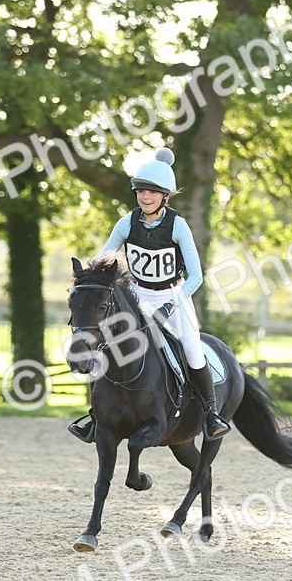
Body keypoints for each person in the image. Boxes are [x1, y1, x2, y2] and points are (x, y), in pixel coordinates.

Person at [68, 147, 232, 444]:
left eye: (152, 193)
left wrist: (174, 302)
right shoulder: (126, 223)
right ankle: (96, 417)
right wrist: (86, 281)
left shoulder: (177, 226)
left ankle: (211, 415)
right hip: (137, 296)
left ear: (165, 196)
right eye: (141, 191)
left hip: (173, 296)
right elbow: (104, 261)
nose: (145, 197)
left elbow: (196, 276)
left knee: (193, 350)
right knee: (109, 344)